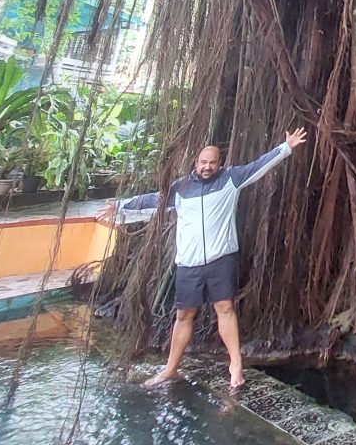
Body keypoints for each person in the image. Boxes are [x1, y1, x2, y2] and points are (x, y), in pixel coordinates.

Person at [99, 127, 307, 389]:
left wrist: (285, 147)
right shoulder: (181, 188)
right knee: (183, 316)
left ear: (220, 163)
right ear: (196, 163)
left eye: (212, 163)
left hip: (221, 260)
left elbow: (259, 166)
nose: (207, 167)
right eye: (203, 163)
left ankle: (235, 366)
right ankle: (170, 368)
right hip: (189, 264)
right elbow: (155, 201)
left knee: (225, 309)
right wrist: (120, 206)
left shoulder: (231, 179)